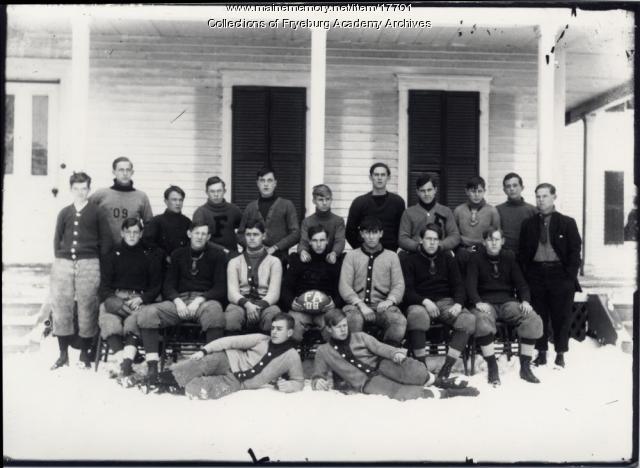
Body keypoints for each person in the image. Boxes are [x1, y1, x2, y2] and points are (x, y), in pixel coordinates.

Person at [312, 310, 479, 400]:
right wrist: (317, 381)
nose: (343, 330)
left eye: (345, 325)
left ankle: (441, 382)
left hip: (382, 365)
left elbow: (380, 347)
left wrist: (394, 354)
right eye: (338, 327)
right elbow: (317, 375)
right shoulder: (324, 351)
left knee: (413, 371)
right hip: (367, 382)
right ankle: (450, 394)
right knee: (400, 393)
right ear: (328, 329)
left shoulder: (359, 337)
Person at [135, 222, 227, 385]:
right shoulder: (178, 254)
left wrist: (199, 300)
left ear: (209, 237)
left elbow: (220, 287)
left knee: (215, 313)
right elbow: (168, 285)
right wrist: (178, 302)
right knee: (148, 313)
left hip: (204, 301)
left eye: (204, 234)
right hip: (180, 300)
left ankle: (209, 367)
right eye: (197, 233)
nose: (200, 237)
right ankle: (152, 366)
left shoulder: (217, 255)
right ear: (189, 233)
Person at [148, 314, 304, 398]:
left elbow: (299, 381)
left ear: (289, 333)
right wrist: (204, 350)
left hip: (238, 382)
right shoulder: (261, 339)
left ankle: (163, 387)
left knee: (208, 389)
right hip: (228, 360)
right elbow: (229, 341)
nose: (274, 332)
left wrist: (289, 386)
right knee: (201, 364)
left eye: (279, 329)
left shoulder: (291, 356)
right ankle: (153, 380)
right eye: (273, 328)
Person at [50, 172, 112, 369]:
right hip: (64, 263)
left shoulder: (97, 212)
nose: (80, 192)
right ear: (70, 190)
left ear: (89, 189)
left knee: (87, 305)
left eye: (83, 188)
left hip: (89, 263)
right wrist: (62, 257)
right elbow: (57, 238)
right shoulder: (64, 212)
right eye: (76, 189)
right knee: (62, 306)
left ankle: (85, 353)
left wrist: (98, 262)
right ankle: (62, 354)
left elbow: (106, 241)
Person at [467, 228, 543, 385]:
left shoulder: (509, 258)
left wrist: (525, 301)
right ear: (483, 242)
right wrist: (477, 301)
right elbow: (470, 286)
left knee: (532, 319)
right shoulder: (475, 259)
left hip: (508, 303)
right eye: (489, 239)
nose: (493, 242)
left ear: (502, 241)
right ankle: (492, 366)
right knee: (481, 320)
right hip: (486, 303)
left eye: (496, 239)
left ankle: (525, 367)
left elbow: (522, 285)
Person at [401, 223, 475, 384]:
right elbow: (407, 291)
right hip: (420, 302)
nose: (432, 242)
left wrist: (458, 304)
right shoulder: (410, 260)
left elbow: (459, 285)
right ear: (421, 240)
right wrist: (424, 301)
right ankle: (422, 368)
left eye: (435, 239)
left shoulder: (447, 258)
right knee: (417, 316)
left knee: (468, 320)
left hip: (445, 302)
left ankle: (446, 368)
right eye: (428, 238)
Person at [519, 183, 582, 368]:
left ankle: (560, 354)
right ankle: (541, 353)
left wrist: (569, 277)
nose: (540, 200)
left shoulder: (567, 222)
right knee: (539, 315)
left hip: (560, 275)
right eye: (538, 196)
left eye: (545, 196)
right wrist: (527, 275)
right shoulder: (528, 224)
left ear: (554, 197)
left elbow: (574, 251)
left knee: (561, 316)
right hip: (536, 275)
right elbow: (523, 253)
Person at [98, 218, 163, 378]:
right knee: (108, 319)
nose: (132, 236)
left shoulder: (149, 254)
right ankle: (123, 363)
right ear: (122, 233)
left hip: (138, 298)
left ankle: (126, 365)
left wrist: (142, 298)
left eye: (136, 232)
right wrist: (113, 300)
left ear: (141, 234)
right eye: (128, 232)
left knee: (132, 322)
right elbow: (104, 286)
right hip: (116, 297)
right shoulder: (112, 254)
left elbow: (156, 286)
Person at [339, 216, 406, 347]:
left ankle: (386, 353)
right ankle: (357, 355)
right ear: (362, 234)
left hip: (382, 307)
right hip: (356, 307)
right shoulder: (351, 256)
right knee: (353, 319)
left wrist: (389, 301)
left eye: (374, 232)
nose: (371, 237)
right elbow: (344, 285)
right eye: (367, 232)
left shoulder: (391, 256)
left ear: (381, 233)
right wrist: (360, 304)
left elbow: (399, 284)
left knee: (398, 321)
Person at [282, 225, 343, 343]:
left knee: (335, 333)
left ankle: (331, 357)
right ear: (309, 241)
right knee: (291, 329)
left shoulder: (334, 262)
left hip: (326, 311)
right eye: (315, 240)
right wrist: (291, 303)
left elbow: (341, 289)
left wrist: (334, 303)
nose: (318, 244)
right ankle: (293, 357)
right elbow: (286, 287)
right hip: (300, 310)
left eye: (322, 240)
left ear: (327, 241)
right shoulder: (298, 260)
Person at [225, 220, 283, 335]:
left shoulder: (274, 262)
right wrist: (247, 304)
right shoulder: (234, 262)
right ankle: (234, 351)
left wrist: (258, 307)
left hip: (265, 303)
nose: (252, 238)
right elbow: (232, 293)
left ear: (263, 236)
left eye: (256, 234)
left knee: (273, 315)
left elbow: (274, 294)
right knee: (232, 316)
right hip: (241, 303)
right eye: (248, 234)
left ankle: (268, 351)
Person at [237, 167, 300, 262]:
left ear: (275, 183)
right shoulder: (250, 207)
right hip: (253, 258)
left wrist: (275, 247)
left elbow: (295, 234)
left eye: (269, 180)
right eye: (262, 181)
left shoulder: (287, 205)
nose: (266, 184)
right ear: (257, 183)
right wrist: (254, 246)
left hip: (279, 257)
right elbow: (240, 234)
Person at [90, 157, 153, 245]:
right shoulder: (101, 194)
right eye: (121, 170)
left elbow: (149, 224)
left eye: (128, 170)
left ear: (132, 172)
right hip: (105, 249)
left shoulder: (141, 196)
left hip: (130, 250)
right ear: (114, 172)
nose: (125, 173)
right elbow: (85, 215)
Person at [345, 162, 406, 252]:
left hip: (389, 253)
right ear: (371, 177)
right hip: (364, 253)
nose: (379, 178)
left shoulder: (398, 202)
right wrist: (361, 250)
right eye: (376, 175)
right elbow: (350, 231)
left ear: (388, 178)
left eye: (383, 175)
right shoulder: (359, 202)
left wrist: (393, 249)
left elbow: (401, 230)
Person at [398, 173, 460, 253]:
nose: (426, 194)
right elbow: (402, 238)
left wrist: (441, 245)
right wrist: (418, 246)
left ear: (435, 190)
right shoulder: (408, 212)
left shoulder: (446, 211)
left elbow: (455, 235)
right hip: (416, 253)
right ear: (417, 192)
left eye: (429, 190)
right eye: (422, 191)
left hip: (440, 253)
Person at [453, 176, 500, 270]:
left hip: (484, 252)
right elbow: (454, 234)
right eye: (473, 191)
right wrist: (463, 248)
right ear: (467, 191)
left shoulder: (492, 211)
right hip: (463, 252)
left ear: (484, 191)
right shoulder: (458, 210)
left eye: (480, 191)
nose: (476, 195)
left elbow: (496, 233)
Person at [192, 176, 243, 256]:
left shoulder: (234, 210)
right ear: (206, 192)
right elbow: (200, 238)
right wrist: (223, 250)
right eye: (212, 191)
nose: (216, 194)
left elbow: (245, 230)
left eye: (219, 191)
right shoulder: (201, 212)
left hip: (231, 255)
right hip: (209, 256)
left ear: (224, 191)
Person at [298, 184, 345, 265]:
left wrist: (334, 253)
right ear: (314, 201)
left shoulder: (338, 221)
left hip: (331, 259)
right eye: (320, 200)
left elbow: (340, 241)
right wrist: (303, 251)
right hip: (312, 260)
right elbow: (304, 241)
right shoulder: (307, 221)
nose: (324, 203)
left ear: (331, 200)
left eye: (327, 199)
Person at [142, 185, 190, 262]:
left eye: (180, 200)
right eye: (174, 200)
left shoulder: (187, 222)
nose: (178, 203)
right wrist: (164, 256)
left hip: (180, 265)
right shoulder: (156, 222)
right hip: (161, 266)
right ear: (166, 201)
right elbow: (147, 243)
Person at [496, 173, 537, 256]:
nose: (512, 189)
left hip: (527, 255)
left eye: (515, 185)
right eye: (508, 186)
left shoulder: (532, 210)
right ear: (504, 190)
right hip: (505, 255)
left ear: (522, 187)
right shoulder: (498, 210)